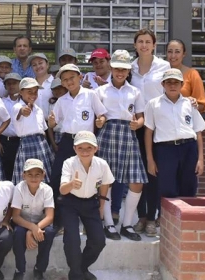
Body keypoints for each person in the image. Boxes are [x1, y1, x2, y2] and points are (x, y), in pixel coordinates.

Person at [94, 50, 147, 241]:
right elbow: (97, 116)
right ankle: (108, 223)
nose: (120, 72)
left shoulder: (135, 91)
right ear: (111, 67)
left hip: (128, 133)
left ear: (128, 71)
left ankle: (127, 224)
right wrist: (99, 121)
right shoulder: (100, 91)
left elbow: (141, 117)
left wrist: (138, 124)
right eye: (117, 68)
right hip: (108, 133)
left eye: (124, 69)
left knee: (136, 180)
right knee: (106, 180)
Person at [48, 64, 107, 214]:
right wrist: (51, 122)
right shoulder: (62, 100)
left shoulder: (90, 94)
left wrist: (100, 120)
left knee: (91, 176)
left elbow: (102, 114)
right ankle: (60, 216)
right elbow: (53, 122)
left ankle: (93, 214)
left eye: (72, 78)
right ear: (62, 83)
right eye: (65, 79)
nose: (69, 82)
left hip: (86, 142)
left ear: (80, 77)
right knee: (58, 176)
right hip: (67, 141)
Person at [129, 29, 170, 237]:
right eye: (140, 42)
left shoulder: (163, 66)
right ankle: (141, 216)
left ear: (154, 45)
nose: (144, 45)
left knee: (153, 172)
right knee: (137, 173)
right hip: (135, 126)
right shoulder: (129, 68)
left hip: (156, 125)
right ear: (135, 45)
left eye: (148, 42)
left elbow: (170, 92)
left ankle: (153, 218)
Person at [59, 131, 114, 280]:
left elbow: (105, 184)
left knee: (98, 241)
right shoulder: (69, 163)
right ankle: (76, 275)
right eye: (80, 148)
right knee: (72, 240)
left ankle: (80, 268)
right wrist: (71, 184)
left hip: (91, 203)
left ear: (96, 148)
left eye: (88, 148)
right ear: (74, 148)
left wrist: (101, 207)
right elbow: (62, 190)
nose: (84, 151)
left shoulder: (101, 164)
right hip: (70, 202)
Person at [144, 69, 205, 199]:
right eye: (169, 82)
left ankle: (187, 218)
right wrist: (150, 159)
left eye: (176, 82)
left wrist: (200, 159)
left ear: (182, 85)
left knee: (188, 188)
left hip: (188, 148)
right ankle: (167, 219)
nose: (172, 85)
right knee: (167, 189)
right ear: (163, 84)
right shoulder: (153, 104)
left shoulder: (189, 104)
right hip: (165, 150)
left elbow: (198, 131)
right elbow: (148, 132)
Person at [11, 159, 56, 280]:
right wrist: (31, 228)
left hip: (40, 223)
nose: (34, 178)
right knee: (18, 233)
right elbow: (15, 216)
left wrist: (33, 231)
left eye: (37, 174)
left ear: (43, 175)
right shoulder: (19, 188)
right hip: (23, 222)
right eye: (29, 174)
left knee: (50, 232)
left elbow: (50, 216)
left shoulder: (47, 190)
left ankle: (39, 269)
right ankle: (19, 269)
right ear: (23, 175)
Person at [12, 77, 54, 185]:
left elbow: (43, 130)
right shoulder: (17, 106)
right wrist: (23, 111)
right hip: (27, 144)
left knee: (43, 176)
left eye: (35, 92)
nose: (33, 95)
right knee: (28, 177)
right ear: (21, 92)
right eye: (29, 92)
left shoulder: (39, 109)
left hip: (41, 144)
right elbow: (21, 112)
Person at [166, 39, 205, 113]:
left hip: (184, 121)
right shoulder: (159, 73)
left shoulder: (192, 74)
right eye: (170, 51)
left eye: (177, 52)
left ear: (184, 54)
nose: (173, 55)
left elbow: (202, 105)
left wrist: (190, 104)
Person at [0, 73, 22, 179]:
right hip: (4, 141)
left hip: (20, 140)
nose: (11, 86)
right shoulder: (1, 101)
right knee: (5, 169)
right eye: (8, 84)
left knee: (19, 169)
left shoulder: (25, 103)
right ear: (5, 86)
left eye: (14, 83)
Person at [28, 53, 54, 118]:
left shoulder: (55, 82)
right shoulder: (29, 85)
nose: (38, 66)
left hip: (53, 124)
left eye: (40, 63)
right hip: (35, 124)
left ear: (47, 64)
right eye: (34, 65)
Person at [47, 77, 67, 153]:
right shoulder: (52, 105)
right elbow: (50, 127)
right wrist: (53, 144)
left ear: (65, 88)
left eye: (59, 88)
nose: (57, 91)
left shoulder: (72, 102)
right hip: (57, 136)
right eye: (54, 89)